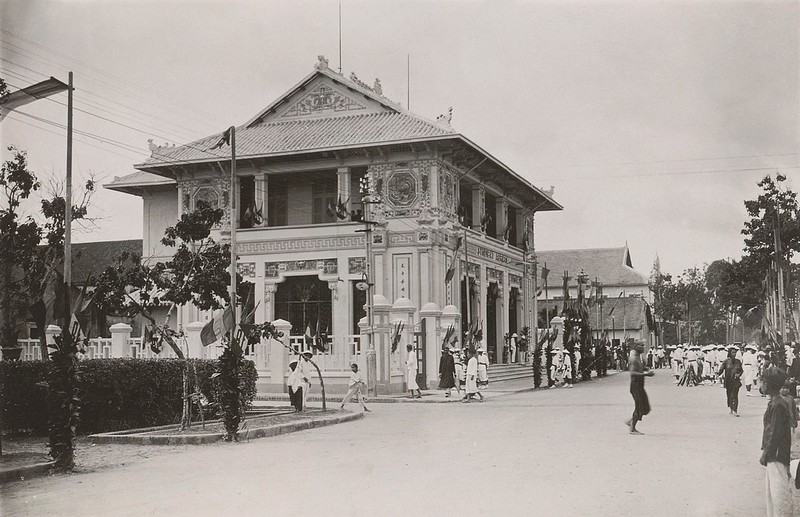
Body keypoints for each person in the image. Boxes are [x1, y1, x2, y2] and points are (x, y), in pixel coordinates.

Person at [759, 367, 794, 516]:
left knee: (779, 492)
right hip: (775, 453)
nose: (762, 385)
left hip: (777, 453)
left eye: (764, 382)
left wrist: (766, 453)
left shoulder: (778, 405)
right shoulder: (775, 402)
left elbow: (775, 433)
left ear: (770, 385)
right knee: (772, 492)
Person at [626, 340, 654, 435]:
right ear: (636, 347)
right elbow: (632, 372)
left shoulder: (639, 357)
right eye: (641, 345)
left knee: (645, 408)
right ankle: (632, 428)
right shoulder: (633, 358)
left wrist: (646, 368)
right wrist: (646, 374)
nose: (643, 347)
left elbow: (641, 367)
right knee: (639, 407)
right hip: (635, 385)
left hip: (640, 385)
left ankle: (631, 421)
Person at [717, 346, 744, 417]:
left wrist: (738, 374)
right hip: (728, 381)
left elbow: (741, 370)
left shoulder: (738, 362)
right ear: (729, 353)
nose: (734, 354)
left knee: (735, 395)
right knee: (729, 395)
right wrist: (717, 374)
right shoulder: (726, 362)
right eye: (732, 352)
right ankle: (731, 408)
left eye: (735, 352)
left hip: (736, 381)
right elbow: (721, 370)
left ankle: (735, 410)